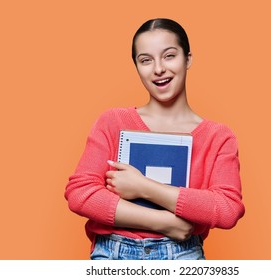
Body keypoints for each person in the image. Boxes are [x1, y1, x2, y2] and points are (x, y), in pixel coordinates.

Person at [65, 18, 245, 260]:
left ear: (187, 59)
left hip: (182, 254)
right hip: (113, 253)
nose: (158, 69)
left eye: (169, 56)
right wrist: (165, 222)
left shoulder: (218, 136)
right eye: (146, 60)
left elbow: (227, 209)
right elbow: (80, 194)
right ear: (137, 67)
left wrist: (144, 187)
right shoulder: (112, 122)